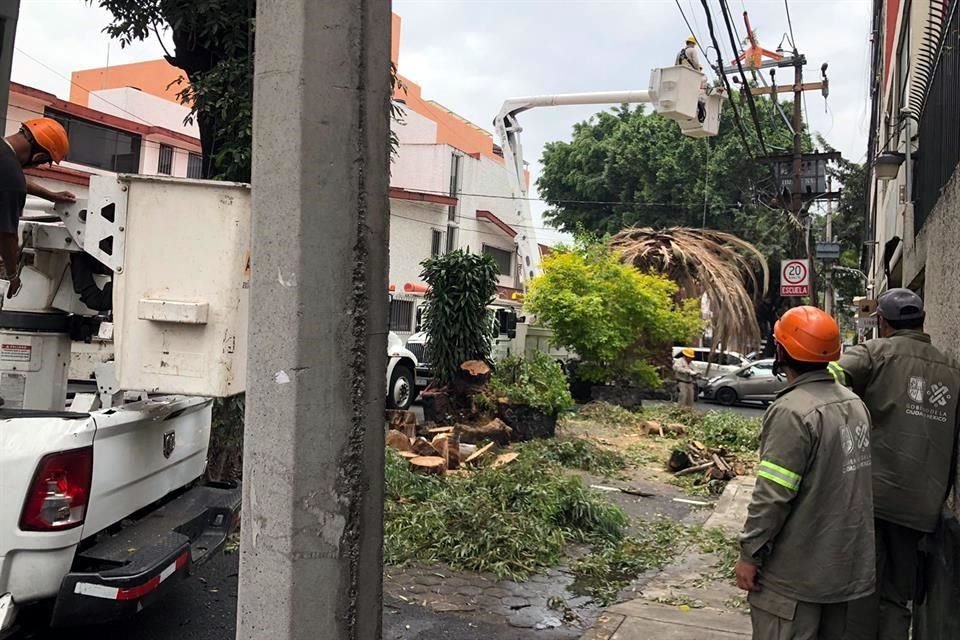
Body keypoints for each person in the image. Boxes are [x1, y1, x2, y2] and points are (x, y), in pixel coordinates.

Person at [736, 306, 875, 639]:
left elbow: (772, 495)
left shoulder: (792, 411)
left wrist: (749, 554)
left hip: (793, 577)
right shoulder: (854, 403)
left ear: (782, 351)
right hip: (840, 570)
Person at [830, 289, 960, 640]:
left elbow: (830, 377)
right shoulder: (951, 368)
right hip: (922, 506)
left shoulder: (875, 353)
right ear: (922, 322)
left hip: (872, 497)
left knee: (860, 589)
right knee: (897, 595)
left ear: (884, 324)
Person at [0, 118, 74, 299]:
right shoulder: (10, 176)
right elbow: (6, 234)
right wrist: (12, 275)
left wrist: (50, 195)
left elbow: (12, 180)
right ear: (38, 157)